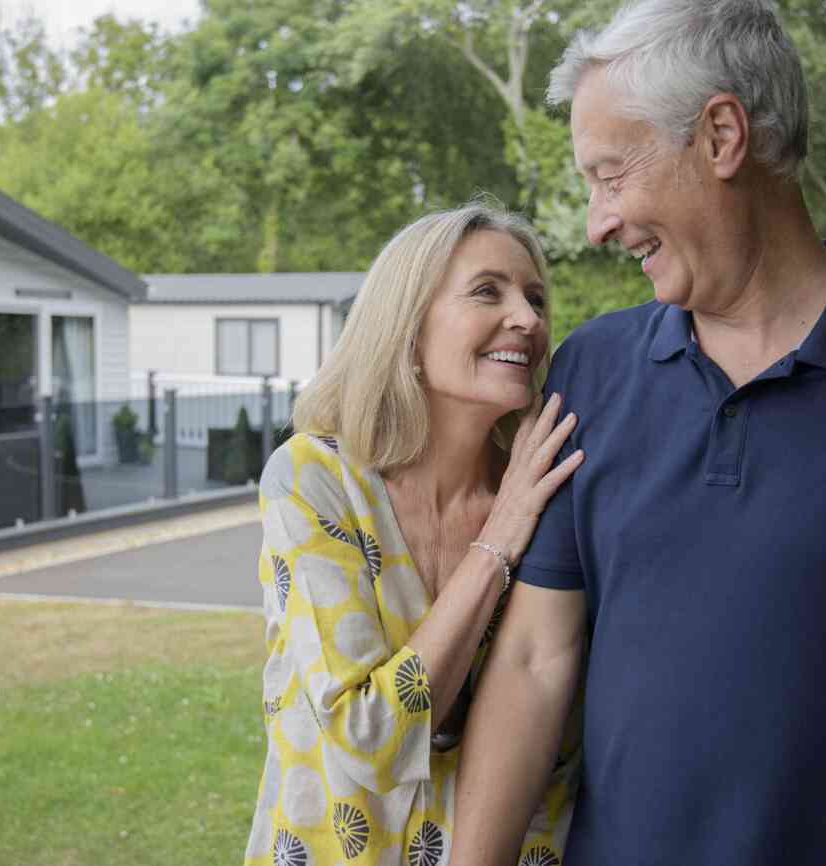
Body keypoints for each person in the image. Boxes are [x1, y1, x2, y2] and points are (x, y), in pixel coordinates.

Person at [450, 1, 826, 864]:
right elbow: (535, 657)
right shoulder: (590, 373)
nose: (598, 223)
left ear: (721, 135)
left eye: (611, 176)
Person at [243, 203, 585, 866]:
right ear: (408, 327)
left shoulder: (552, 489)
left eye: (536, 298)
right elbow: (366, 739)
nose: (529, 319)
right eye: (489, 291)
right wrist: (497, 546)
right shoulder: (316, 480)